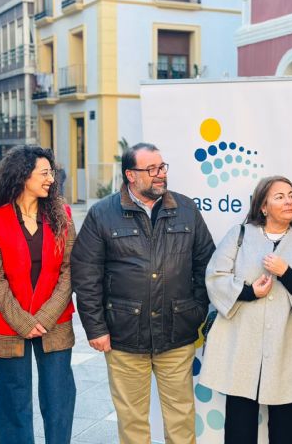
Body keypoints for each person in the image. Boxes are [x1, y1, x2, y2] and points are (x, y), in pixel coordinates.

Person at [71, 142, 215, 444]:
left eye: (162, 167)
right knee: (132, 422)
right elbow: (86, 275)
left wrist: (195, 311)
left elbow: (206, 265)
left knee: (181, 417)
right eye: (151, 169)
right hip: (124, 336)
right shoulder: (102, 215)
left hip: (177, 334)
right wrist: (96, 328)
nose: (160, 174)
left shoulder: (186, 209)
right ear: (130, 175)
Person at [200, 176, 292, 444]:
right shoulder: (240, 235)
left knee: (288, 428)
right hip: (242, 350)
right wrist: (249, 292)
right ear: (263, 206)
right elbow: (215, 276)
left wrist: (286, 273)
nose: (289, 201)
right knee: (239, 428)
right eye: (280, 196)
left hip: (288, 350)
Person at [0, 145, 76, 444]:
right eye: (44, 173)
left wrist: (46, 316)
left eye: (51, 172)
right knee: (13, 404)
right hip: (9, 324)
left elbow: (70, 270)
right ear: (23, 176)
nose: (51, 178)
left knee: (58, 399)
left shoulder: (63, 214)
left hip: (55, 320)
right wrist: (22, 321)